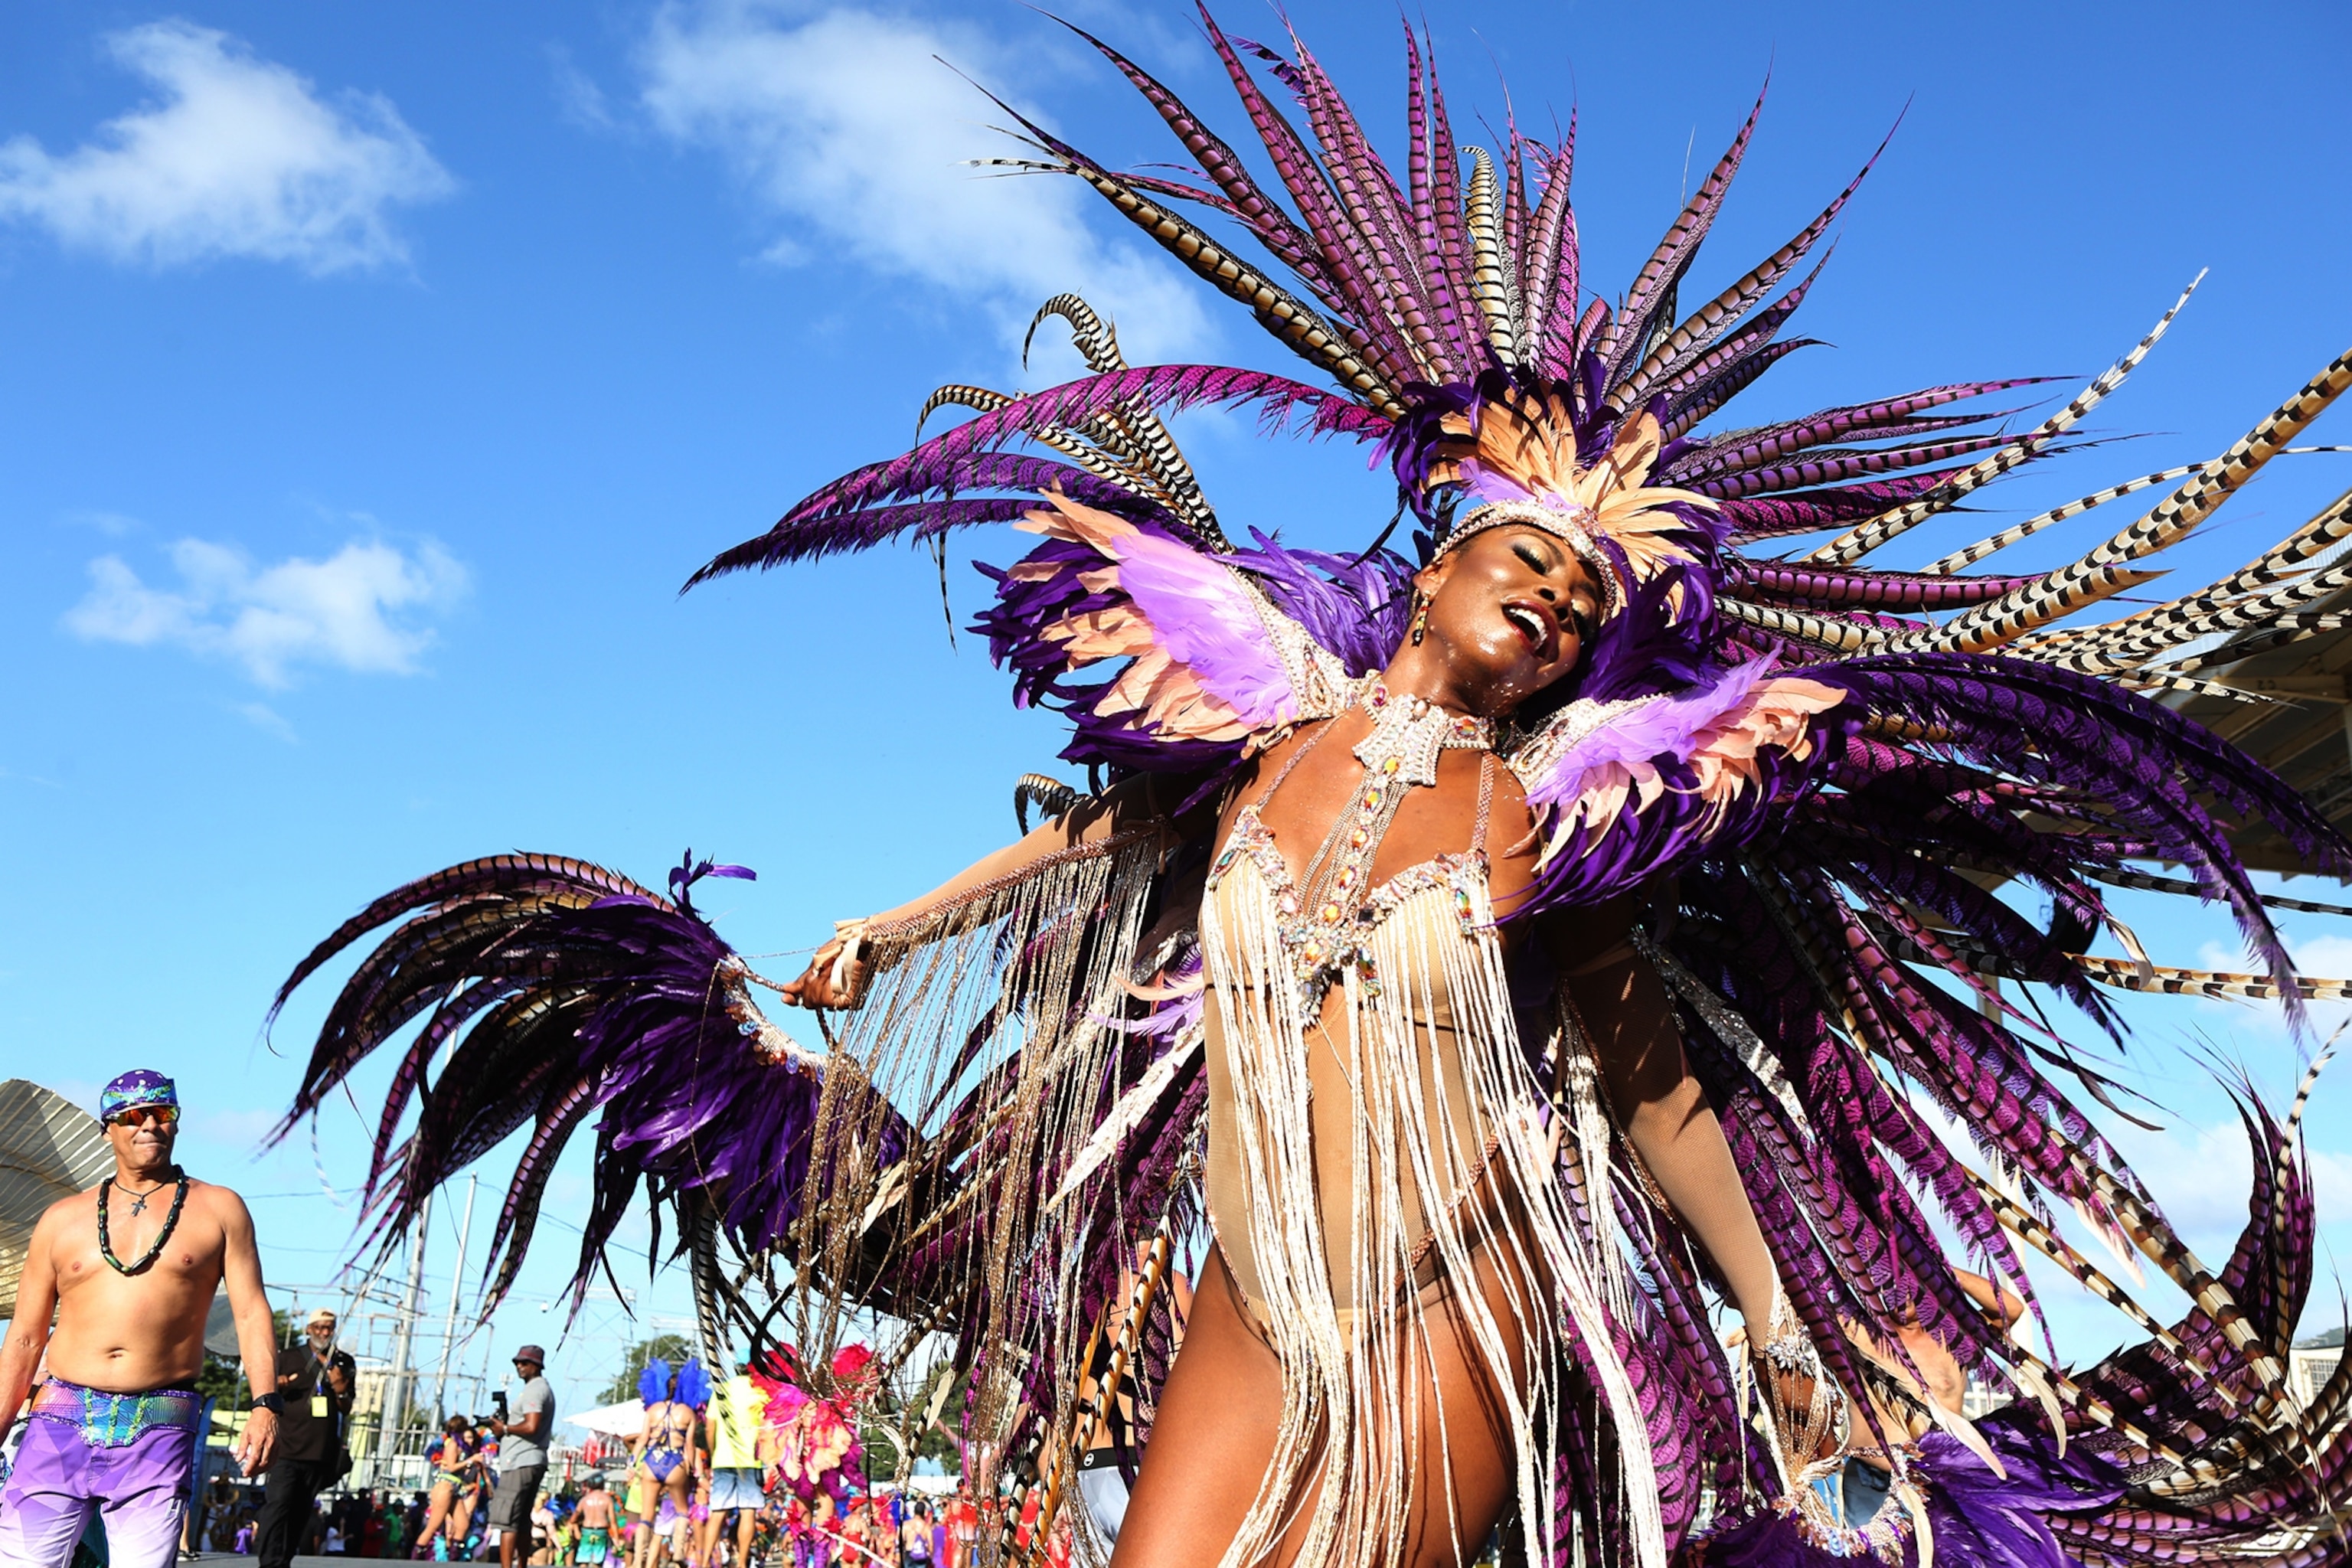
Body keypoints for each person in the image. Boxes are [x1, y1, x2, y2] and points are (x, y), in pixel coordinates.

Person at [270, 12, 2352, 1563]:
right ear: (1436, 554)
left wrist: (1814, 1314)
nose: (1544, 604)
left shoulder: (1562, 822)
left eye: (1581, 599)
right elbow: (1102, 838)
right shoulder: (1261, 738)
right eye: (1520, 561)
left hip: (1463, 1287)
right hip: (1254, 1283)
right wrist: (893, 929)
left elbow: (1653, 1085)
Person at [0, 1070, 282, 1568]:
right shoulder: (62, 1219)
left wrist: (265, 1405)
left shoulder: (219, 1209)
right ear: (108, 1128)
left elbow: (251, 1311)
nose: (149, 1124)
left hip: (159, 1422)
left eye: (162, 1113)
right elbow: (24, 1337)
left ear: (176, 1123)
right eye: (133, 1115)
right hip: (58, 1420)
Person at [253, 1308, 356, 1568]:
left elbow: (347, 1407)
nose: (324, 1332)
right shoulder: (287, 1357)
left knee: (300, 1511)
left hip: (320, 1451)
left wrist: (341, 1389)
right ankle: (269, 1561)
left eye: (329, 1328)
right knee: (278, 1506)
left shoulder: (343, 1362)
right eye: (319, 1327)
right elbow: (261, 1392)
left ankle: (284, 1560)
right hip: (287, 1449)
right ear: (308, 1329)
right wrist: (278, 1385)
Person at [624, 1361, 701, 1568]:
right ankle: (677, 1555)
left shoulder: (653, 1410)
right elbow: (690, 1446)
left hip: (651, 1461)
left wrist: (631, 1464)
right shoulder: (687, 1413)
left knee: (646, 1515)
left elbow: (642, 1440)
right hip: (675, 1461)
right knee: (682, 1510)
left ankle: (639, 1560)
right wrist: (692, 1469)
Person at [483, 1349, 554, 1568]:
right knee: (522, 1520)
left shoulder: (535, 1390)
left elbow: (532, 1425)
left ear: (537, 1365)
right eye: (518, 1362)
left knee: (506, 1520)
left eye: (525, 1363)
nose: (520, 1366)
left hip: (521, 1461)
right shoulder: (539, 1389)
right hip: (531, 1460)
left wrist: (504, 1428)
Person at [697, 1367, 761, 1568]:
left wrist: (713, 1451)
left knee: (718, 1511)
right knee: (748, 1512)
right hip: (750, 1460)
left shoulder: (721, 1389)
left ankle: (705, 1561)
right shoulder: (759, 1390)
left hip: (723, 1459)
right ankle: (742, 1563)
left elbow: (710, 1426)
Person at [571, 1479, 616, 1568]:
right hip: (601, 1531)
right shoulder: (607, 1499)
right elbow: (613, 1521)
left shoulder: (584, 1500)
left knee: (583, 1558)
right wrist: (616, 1538)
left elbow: (574, 1517)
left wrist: (574, 1524)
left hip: (587, 1531)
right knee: (598, 1559)